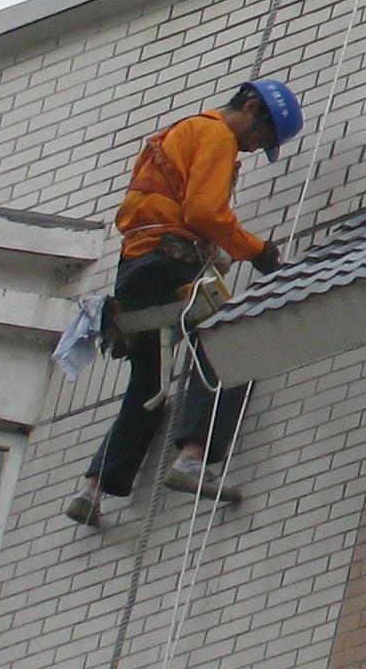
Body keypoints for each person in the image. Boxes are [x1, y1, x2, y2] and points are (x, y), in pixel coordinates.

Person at [65, 79, 303, 527]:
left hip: (135, 271)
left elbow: (175, 210)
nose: (252, 149)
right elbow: (204, 213)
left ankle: (92, 488)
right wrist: (256, 250)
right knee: (232, 343)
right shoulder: (216, 134)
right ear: (250, 107)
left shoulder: (180, 132)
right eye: (259, 138)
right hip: (169, 262)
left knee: (148, 385)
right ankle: (192, 459)